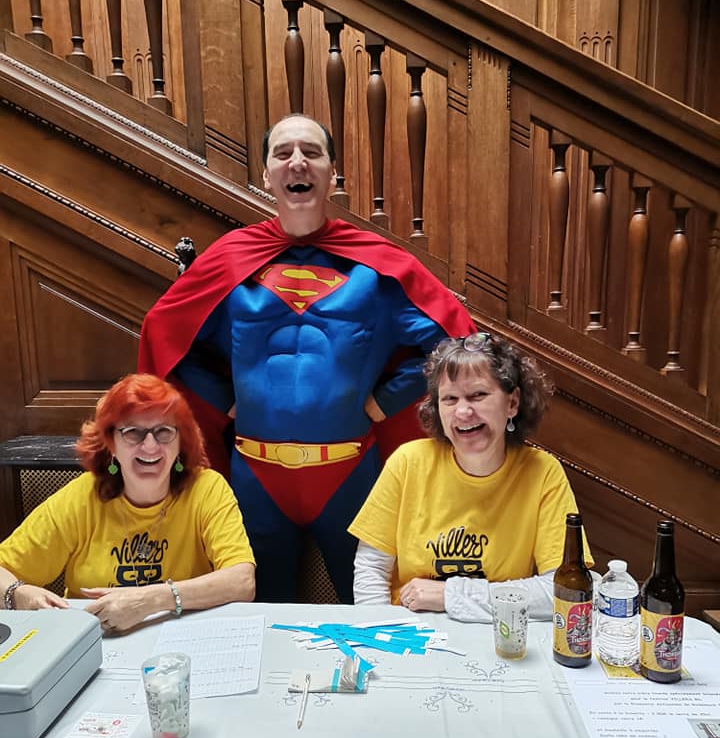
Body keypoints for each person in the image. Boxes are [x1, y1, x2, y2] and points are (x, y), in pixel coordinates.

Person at [138, 113, 473, 604]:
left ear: (332, 174)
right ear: (267, 174)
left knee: (373, 613)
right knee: (255, 616)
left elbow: (453, 341)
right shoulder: (231, 259)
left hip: (349, 472)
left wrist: (386, 400)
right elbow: (166, 335)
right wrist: (224, 398)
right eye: (283, 153)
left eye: (312, 152)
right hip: (256, 473)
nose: (297, 161)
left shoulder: (376, 265)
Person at [349, 332, 592, 620]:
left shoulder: (543, 472)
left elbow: (564, 590)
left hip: (498, 634)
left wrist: (451, 596)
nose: (463, 411)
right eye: (450, 399)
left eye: (478, 395)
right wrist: (380, 631)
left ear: (512, 403)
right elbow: (371, 568)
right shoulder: (408, 462)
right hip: (410, 632)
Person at [0, 374, 255, 630]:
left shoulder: (207, 488)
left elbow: (242, 581)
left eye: (164, 432)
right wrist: (18, 594)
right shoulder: (81, 497)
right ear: (111, 443)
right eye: (133, 432)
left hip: (184, 640)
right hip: (96, 640)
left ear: (180, 442)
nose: (150, 446)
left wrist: (150, 600)